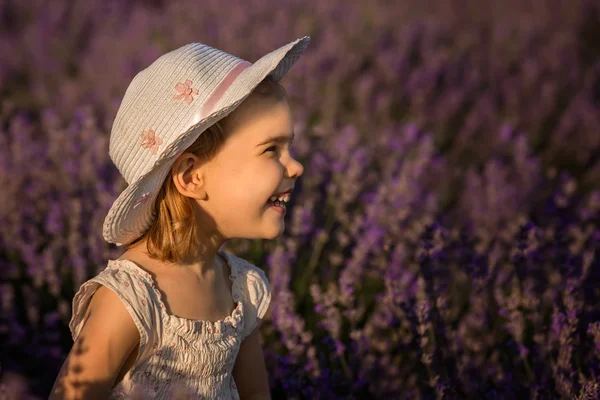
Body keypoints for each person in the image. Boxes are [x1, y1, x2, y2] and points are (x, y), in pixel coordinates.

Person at [49, 36, 310, 399]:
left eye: (289, 147)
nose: (296, 166)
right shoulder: (132, 300)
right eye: (271, 150)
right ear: (190, 176)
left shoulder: (242, 289)